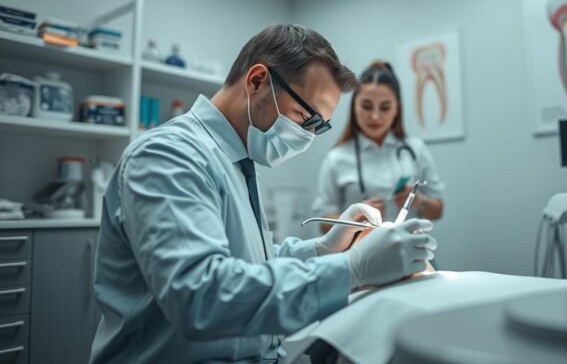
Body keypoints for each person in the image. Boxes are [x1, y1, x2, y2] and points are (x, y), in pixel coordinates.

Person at [90, 24, 437, 363]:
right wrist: (352, 268)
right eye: (304, 116)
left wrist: (322, 249)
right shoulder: (170, 156)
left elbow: (246, 264)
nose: (307, 136)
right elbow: (202, 297)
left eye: (319, 127)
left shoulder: (236, 160)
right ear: (257, 82)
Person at [312, 61, 445, 230]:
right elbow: (323, 222)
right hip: (360, 248)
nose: (375, 116)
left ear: (397, 109)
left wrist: (419, 201)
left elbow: (438, 211)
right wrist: (353, 216)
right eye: (366, 106)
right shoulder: (336, 159)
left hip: (410, 246)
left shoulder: (416, 149)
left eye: (385, 107)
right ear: (354, 106)